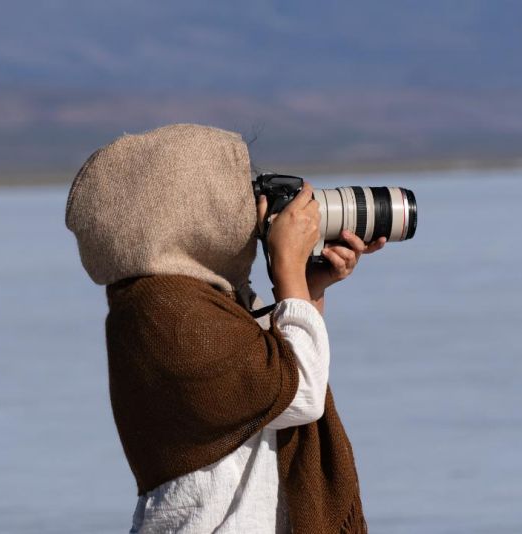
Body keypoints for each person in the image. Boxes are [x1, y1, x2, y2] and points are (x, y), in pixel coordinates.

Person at [65, 123, 384, 533]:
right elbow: (298, 393)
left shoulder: (199, 300)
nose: (251, 205)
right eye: (234, 189)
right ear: (188, 205)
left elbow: (283, 362)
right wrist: (287, 268)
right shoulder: (163, 309)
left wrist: (308, 284)